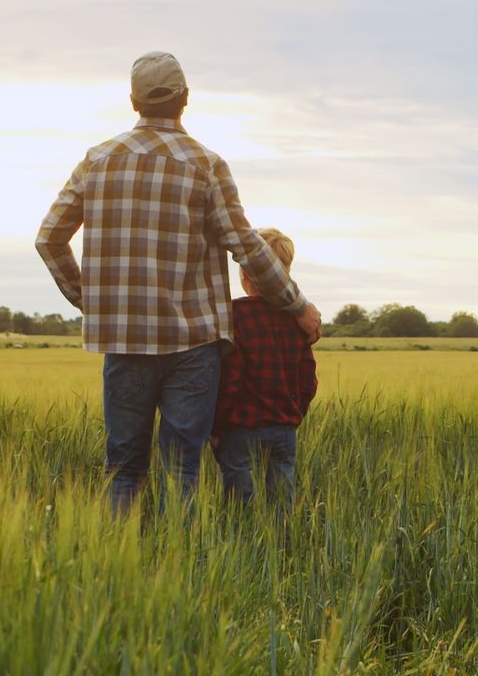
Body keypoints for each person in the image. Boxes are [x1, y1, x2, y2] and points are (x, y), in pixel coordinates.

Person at [35, 51, 321, 511]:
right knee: (180, 468)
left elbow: (49, 239)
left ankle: (122, 566)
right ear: (186, 99)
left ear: (133, 101)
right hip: (193, 347)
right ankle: (178, 564)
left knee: (125, 467)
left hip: (124, 340)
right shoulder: (206, 165)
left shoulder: (97, 161)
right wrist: (297, 305)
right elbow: (246, 246)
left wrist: (91, 302)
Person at [211, 228, 317, 506]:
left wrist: (217, 425)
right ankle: (282, 548)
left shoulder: (235, 315)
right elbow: (308, 382)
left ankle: (244, 546)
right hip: (283, 428)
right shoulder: (297, 319)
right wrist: (293, 415)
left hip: (239, 428)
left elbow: (230, 379)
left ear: (245, 275)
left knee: (240, 505)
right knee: (281, 504)